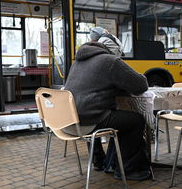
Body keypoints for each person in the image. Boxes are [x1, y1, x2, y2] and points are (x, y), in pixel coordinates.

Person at [64, 33, 151, 180]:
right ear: (115, 50)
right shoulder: (110, 61)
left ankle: (104, 161)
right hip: (89, 121)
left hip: (67, 121)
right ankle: (127, 170)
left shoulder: (78, 61)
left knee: (117, 117)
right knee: (135, 120)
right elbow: (140, 86)